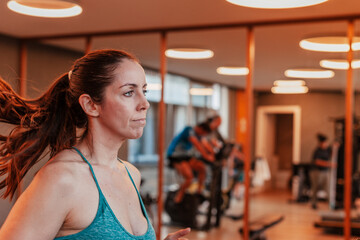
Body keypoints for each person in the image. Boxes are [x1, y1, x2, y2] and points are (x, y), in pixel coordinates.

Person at [0, 49, 190, 240]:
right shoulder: (63, 178)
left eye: (144, 91)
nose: (145, 103)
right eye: (129, 92)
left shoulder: (131, 174)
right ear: (91, 105)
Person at [167, 122, 215, 203]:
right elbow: (197, 144)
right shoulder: (189, 130)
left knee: (202, 168)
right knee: (189, 178)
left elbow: (205, 144)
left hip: (185, 156)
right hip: (175, 156)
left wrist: (212, 153)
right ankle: (177, 199)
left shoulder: (198, 135)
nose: (203, 135)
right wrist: (207, 156)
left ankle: (199, 193)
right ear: (200, 129)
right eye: (203, 133)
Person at [310, 133, 335, 209]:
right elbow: (317, 162)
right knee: (315, 188)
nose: (326, 144)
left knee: (328, 188)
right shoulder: (317, 151)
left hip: (326, 172)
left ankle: (331, 204)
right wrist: (329, 164)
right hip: (317, 172)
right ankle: (314, 203)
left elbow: (332, 152)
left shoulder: (327, 150)